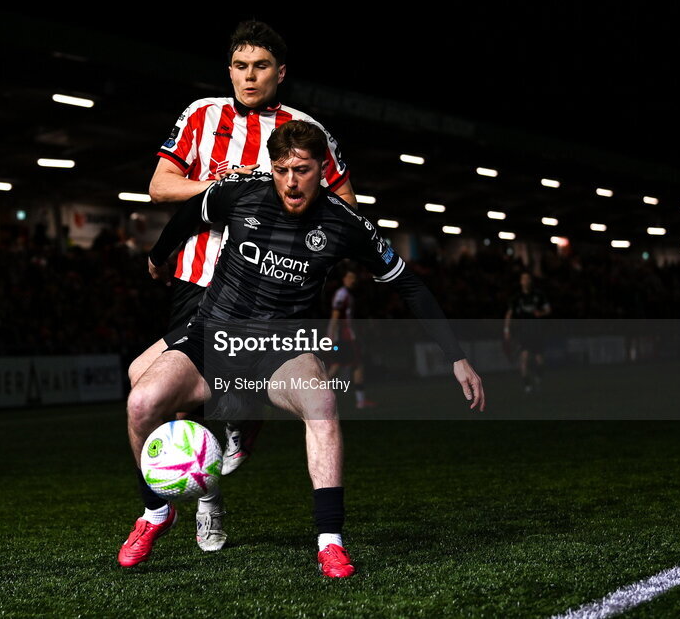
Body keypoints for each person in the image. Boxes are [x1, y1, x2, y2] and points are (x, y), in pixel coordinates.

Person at [118, 120, 484, 577]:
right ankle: (157, 513)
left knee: (322, 402)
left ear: (322, 168)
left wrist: (456, 355)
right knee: (141, 402)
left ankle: (329, 541)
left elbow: (409, 285)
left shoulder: (345, 223)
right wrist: (158, 255)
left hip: (283, 346)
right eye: (282, 169)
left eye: (303, 170)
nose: (291, 181)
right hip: (212, 335)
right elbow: (190, 212)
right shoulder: (239, 193)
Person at [127, 20, 359, 551]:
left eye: (260, 67)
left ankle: (246, 415)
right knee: (179, 396)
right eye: (239, 66)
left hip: (269, 284)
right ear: (228, 69)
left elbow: (347, 206)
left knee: (237, 385)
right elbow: (160, 186)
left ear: (281, 72)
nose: (248, 77)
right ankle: (207, 504)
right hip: (197, 274)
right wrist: (222, 188)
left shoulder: (305, 129)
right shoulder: (200, 115)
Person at [327, 269, 377, 409]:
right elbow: (336, 315)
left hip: (344, 337)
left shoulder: (346, 294)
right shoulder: (343, 294)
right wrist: (331, 336)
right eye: (349, 277)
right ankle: (360, 401)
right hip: (345, 337)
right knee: (355, 365)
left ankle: (315, 395)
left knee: (340, 366)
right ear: (343, 279)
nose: (352, 280)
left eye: (354, 277)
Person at [504, 271, 552, 393]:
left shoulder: (538, 295)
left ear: (531, 281)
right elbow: (509, 314)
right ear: (521, 281)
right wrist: (506, 329)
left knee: (540, 360)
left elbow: (548, 310)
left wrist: (540, 313)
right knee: (524, 358)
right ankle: (527, 385)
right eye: (523, 279)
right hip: (523, 332)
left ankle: (538, 377)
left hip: (537, 331)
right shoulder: (517, 298)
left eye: (528, 279)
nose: (526, 281)